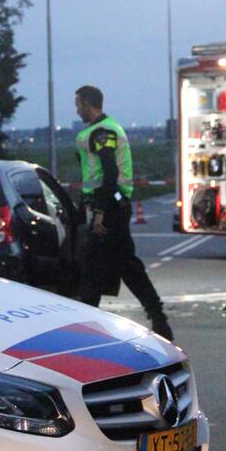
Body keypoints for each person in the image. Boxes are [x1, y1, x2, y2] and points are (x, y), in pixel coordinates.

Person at [74, 85, 173, 340]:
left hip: (109, 207)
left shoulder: (101, 132)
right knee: (117, 266)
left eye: (78, 104)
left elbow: (109, 175)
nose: (76, 110)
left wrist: (99, 213)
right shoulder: (102, 129)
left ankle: (86, 328)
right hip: (110, 205)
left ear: (87, 103)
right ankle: (158, 320)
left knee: (103, 269)